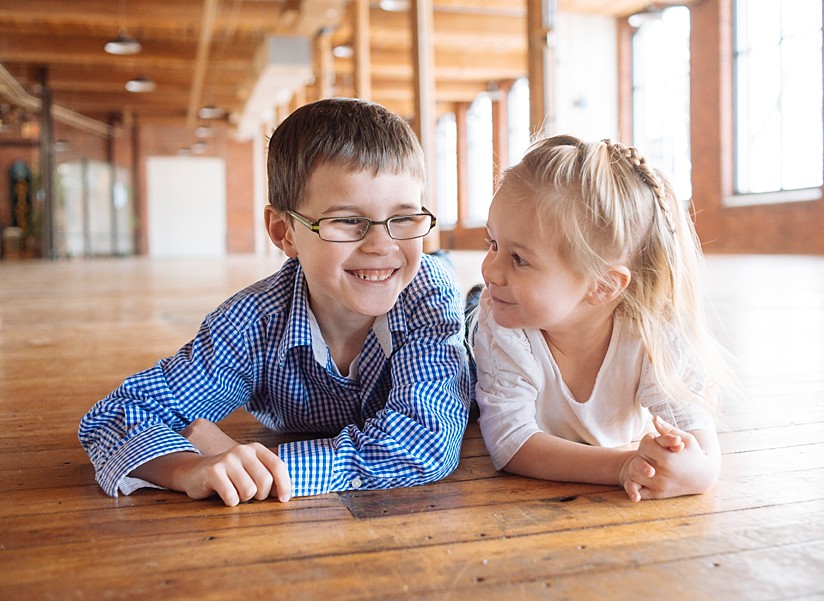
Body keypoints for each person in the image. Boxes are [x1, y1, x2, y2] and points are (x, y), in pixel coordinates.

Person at [79, 98, 472, 506]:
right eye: (347, 220)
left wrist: (260, 465)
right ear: (284, 232)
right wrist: (186, 467)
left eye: (404, 218)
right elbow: (115, 416)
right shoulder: (251, 322)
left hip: (470, 333)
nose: (381, 244)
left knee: (484, 319)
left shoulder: (427, 291)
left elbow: (425, 446)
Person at [473, 135, 740, 502]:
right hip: (492, 320)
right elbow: (511, 443)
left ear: (602, 286)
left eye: (519, 259)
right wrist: (621, 466)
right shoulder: (502, 324)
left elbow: (702, 448)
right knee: (476, 305)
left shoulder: (654, 333)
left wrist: (692, 469)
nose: (491, 269)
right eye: (492, 244)